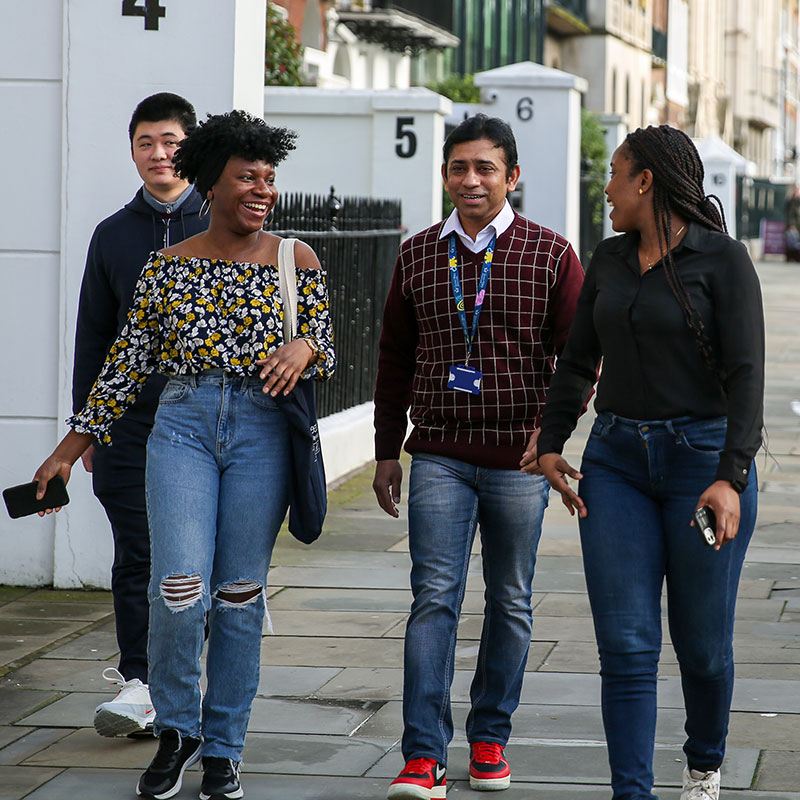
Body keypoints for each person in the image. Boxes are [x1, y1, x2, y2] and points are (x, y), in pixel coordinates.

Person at [33, 110, 335, 800]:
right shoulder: (166, 266)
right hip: (182, 429)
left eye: (268, 179)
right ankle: (177, 729)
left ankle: (223, 748)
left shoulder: (298, 259)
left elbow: (326, 341)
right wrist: (67, 448)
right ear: (210, 183)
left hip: (262, 433)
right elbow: (126, 365)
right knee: (177, 588)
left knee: (237, 596)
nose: (262, 190)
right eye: (246, 178)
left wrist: (306, 346)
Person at [536, 125, 764, 800]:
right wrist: (551, 442)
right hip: (616, 465)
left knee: (701, 646)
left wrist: (732, 477)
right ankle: (631, 793)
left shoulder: (723, 261)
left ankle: (703, 764)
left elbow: (749, 376)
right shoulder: (606, 259)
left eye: (614, 173)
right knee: (629, 645)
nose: (605, 187)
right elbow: (578, 360)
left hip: (703, 468)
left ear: (645, 182)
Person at [372, 113, 584, 799]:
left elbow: (580, 361)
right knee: (433, 599)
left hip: (519, 459)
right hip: (436, 455)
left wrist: (547, 439)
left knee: (511, 601)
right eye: (459, 167)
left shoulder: (552, 255)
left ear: (511, 176)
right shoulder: (415, 255)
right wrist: (385, 452)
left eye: (485, 168)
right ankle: (423, 755)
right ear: (444, 175)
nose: (471, 179)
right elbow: (393, 359)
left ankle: (490, 736)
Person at [73, 92, 209, 738]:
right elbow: (93, 338)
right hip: (128, 425)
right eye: (146, 143)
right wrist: (88, 426)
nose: (159, 154)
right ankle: (141, 681)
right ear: (132, 151)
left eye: (171, 142)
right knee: (137, 553)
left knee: (187, 563)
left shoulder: (222, 225)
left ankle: (177, 678)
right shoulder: (113, 235)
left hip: (206, 421)